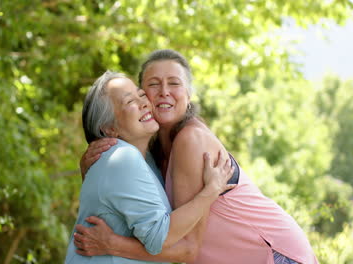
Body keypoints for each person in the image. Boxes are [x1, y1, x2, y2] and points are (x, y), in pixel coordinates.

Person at [75, 50, 318, 264]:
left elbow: (187, 249)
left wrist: (111, 244)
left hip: (272, 254)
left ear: (188, 95)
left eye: (174, 83)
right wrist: (90, 170)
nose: (164, 92)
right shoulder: (153, 152)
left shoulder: (190, 140)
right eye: (153, 85)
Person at [65, 70, 235, 264]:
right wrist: (211, 191)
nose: (144, 103)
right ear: (110, 128)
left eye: (141, 95)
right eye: (130, 102)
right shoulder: (123, 158)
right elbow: (159, 238)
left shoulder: (145, 160)